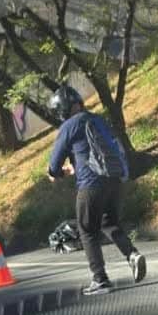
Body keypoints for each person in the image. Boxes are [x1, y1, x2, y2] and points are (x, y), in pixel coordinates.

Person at [48, 84, 146, 295]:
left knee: (87, 230)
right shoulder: (97, 119)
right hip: (115, 180)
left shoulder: (69, 126)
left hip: (90, 185)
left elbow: (54, 165)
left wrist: (57, 173)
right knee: (108, 223)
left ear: (62, 109)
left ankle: (100, 279)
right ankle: (132, 254)